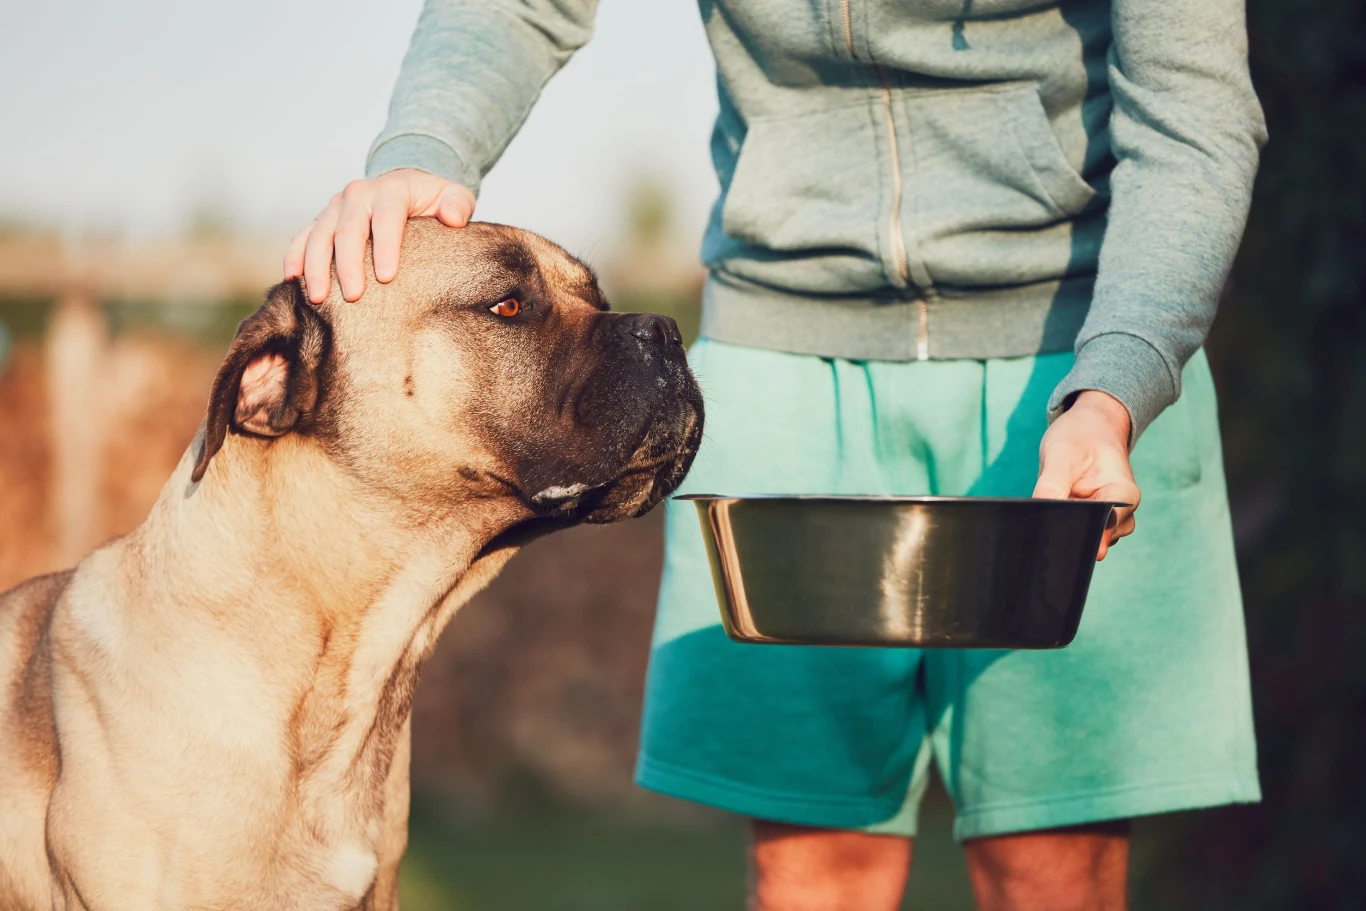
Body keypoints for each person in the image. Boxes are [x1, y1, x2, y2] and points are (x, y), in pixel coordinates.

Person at [287, 1, 1265, 907]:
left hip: (1070, 358)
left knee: (1053, 869)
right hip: (785, 341)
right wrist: (424, 149)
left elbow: (1191, 111)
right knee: (812, 872)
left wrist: (1114, 387)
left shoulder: (1099, 382)